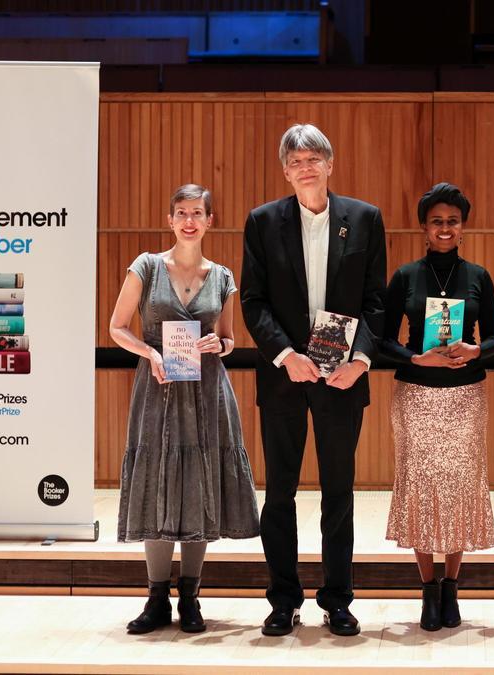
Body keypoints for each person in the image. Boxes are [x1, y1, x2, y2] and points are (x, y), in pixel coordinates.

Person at [240, 124, 387, 637]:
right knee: (279, 492)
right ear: (285, 171)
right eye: (295, 161)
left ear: (330, 163)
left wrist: (361, 361)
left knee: (338, 492)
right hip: (284, 376)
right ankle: (283, 599)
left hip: (343, 378)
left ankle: (338, 599)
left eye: (313, 158)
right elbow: (252, 302)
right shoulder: (262, 221)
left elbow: (376, 303)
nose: (305, 167)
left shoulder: (365, 219)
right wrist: (284, 354)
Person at [109, 183, 260, 635]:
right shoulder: (146, 267)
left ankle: (191, 596)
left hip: (206, 389)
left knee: (199, 480)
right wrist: (150, 353)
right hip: (158, 388)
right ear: (171, 220)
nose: (189, 220)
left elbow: (231, 339)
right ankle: (156, 597)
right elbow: (117, 327)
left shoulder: (223, 276)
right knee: (156, 475)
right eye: (181, 213)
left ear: (210, 221)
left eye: (197, 213)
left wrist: (222, 342)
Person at [380, 182, 494, 631]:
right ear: (424, 228)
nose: (445, 228)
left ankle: (451, 588)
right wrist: (415, 356)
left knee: (459, 487)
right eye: (437, 221)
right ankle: (427, 591)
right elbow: (382, 340)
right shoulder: (406, 276)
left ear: (462, 227)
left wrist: (474, 350)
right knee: (421, 487)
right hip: (415, 394)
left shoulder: (478, 277)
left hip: (465, 396)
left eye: (452, 221)